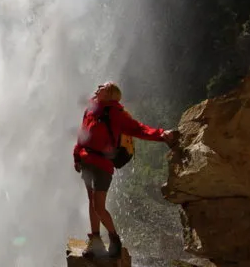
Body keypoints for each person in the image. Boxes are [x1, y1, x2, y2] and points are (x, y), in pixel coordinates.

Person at [73, 81, 177, 258]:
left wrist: (161, 135)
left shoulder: (115, 113)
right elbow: (82, 135)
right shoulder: (90, 110)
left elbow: (138, 129)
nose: (98, 87)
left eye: (103, 87)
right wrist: (77, 156)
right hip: (87, 161)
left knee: (98, 206)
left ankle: (114, 238)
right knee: (92, 203)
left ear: (111, 94)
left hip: (102, 165)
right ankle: (95, 240)